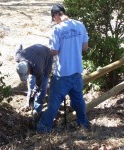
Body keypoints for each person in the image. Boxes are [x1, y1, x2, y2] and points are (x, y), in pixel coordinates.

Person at [37, 4, 90, 132]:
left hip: (62, 74)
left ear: (56, 15)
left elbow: (54, 51)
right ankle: (83, 124)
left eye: (53, 18)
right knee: (79, 101)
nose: (54, 20)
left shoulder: (58, 29)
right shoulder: (80, 25)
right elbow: (85, 47)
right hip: (77, 71)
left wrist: (49, 49)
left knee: (54, 104)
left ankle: (43, 128)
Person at [15, 44, 53, 117]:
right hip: (35, 55)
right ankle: (29, 104)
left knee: (42, 88)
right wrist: (32, 95)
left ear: (28, 69)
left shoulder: (38, 68)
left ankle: (37, 110)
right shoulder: (18, 56)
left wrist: (34, 92)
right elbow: (18, 46)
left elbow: (39, 84)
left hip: (47, 56)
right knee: (31, 82)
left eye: (26, 74)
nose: (27, 75)